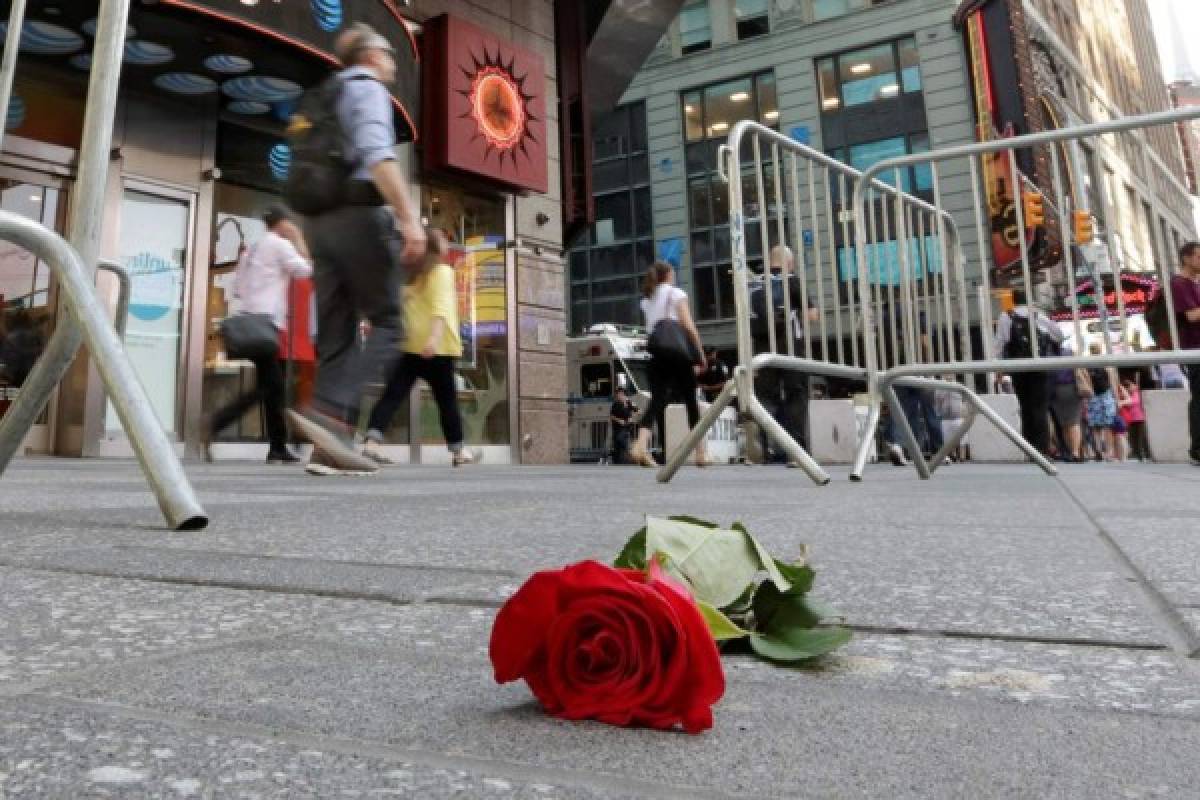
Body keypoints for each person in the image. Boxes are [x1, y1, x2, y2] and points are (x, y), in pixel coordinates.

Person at [286, 22, 430, 476]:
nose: (391, 62)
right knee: (389, 323)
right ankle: (329, 414)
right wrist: (409, 220)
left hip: (319, 221)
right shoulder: (366, 89)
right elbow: (377, 155)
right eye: (388, 53)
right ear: (369, 57)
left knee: (336, 336)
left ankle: (328, 448)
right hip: (358, 214)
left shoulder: (326, 93)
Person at [204, 207, 311, 465]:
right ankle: (219, 422)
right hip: (265, 325)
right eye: (290, 223)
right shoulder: (280, 245)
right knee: (271, 386)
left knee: (271, 386)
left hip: (248, 324)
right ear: (283, 224)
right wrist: (299, 241)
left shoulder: (251, 250)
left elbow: (238, 288)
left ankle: (277, 447)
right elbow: (305, 271)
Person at [361, 234, 475, 468]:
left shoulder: (411, 276)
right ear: (436, 247)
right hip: (438, 349)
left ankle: (371, 442)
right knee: (447, 402)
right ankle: (458, 451)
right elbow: (440, 308)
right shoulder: (442, 271)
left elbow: (394, 304)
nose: (447, 241)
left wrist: (375, 321)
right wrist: (433, 339)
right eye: (443, 239)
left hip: (410, 346)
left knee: (393, 394)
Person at [629, 261, 710, 468]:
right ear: (669, 275)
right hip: (677, 353)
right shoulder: (676, 294)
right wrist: (700, 353)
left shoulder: (647, 300)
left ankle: (640, 444)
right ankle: (700, 452)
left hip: (656, 352)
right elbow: (688, 326)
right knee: (690, 400)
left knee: (657, 400)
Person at [748, 245, 819, 462]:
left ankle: (763, 449)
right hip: (790, 350)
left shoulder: (754, 283)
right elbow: (812, 315)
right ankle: (795, 452)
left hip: (762, 352)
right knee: (796, 395)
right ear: (789, 262)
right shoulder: (791, 280)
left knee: (764, 399)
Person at [994, 289, 1064, 455]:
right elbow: (1059, 335)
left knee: (1025, 406)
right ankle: (1042, 448)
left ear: (1013, 301)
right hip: (1039, 367)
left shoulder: (1006, 316)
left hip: (1019, 367)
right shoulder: (1038, 315)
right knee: (1040, 407)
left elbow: (999, 343)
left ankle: (1029, 448)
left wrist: (998, 368)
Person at [1171, 241, 1200, 465]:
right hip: (1194, 348)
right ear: (1187, 258)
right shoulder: (1180, 284)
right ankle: (1197, 449)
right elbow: (1191, 316)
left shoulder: (1194, 283)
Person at [1085, 342, 1119, 461]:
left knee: (1095, 427)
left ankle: (1098, 450)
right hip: (1106, 396)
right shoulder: (1106, 363)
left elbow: (1087, 383)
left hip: (1093, 397)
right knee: (1108, 426)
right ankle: (1109, 452)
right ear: (1100, 350)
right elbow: (1113, 383)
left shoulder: (1087, 365)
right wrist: (1116, 399)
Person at [1120, 375, 1149, 462]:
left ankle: (1142, 454)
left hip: (1140, 419)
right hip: (1131, 420)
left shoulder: (1137, 393)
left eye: (1130, 386)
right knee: (1133, 438)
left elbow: (1134, 402)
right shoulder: (1127, 395)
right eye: (1127, 387)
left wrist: (1124, 402)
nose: (1129, 388)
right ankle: (1137, 454)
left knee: (1140, 438)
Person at [608, 386, 637, 464]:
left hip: (626, 427)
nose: (620, 395)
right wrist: (619, 420)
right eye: (618, 394)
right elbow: (611, 416)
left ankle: (630, 456)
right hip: (617, 427)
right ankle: (618, 460)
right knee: (617, 444)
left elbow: (637, 410)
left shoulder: (629, 403)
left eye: (621, 394)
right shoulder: (616, 404)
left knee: (621, 439)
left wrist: (632, 417)